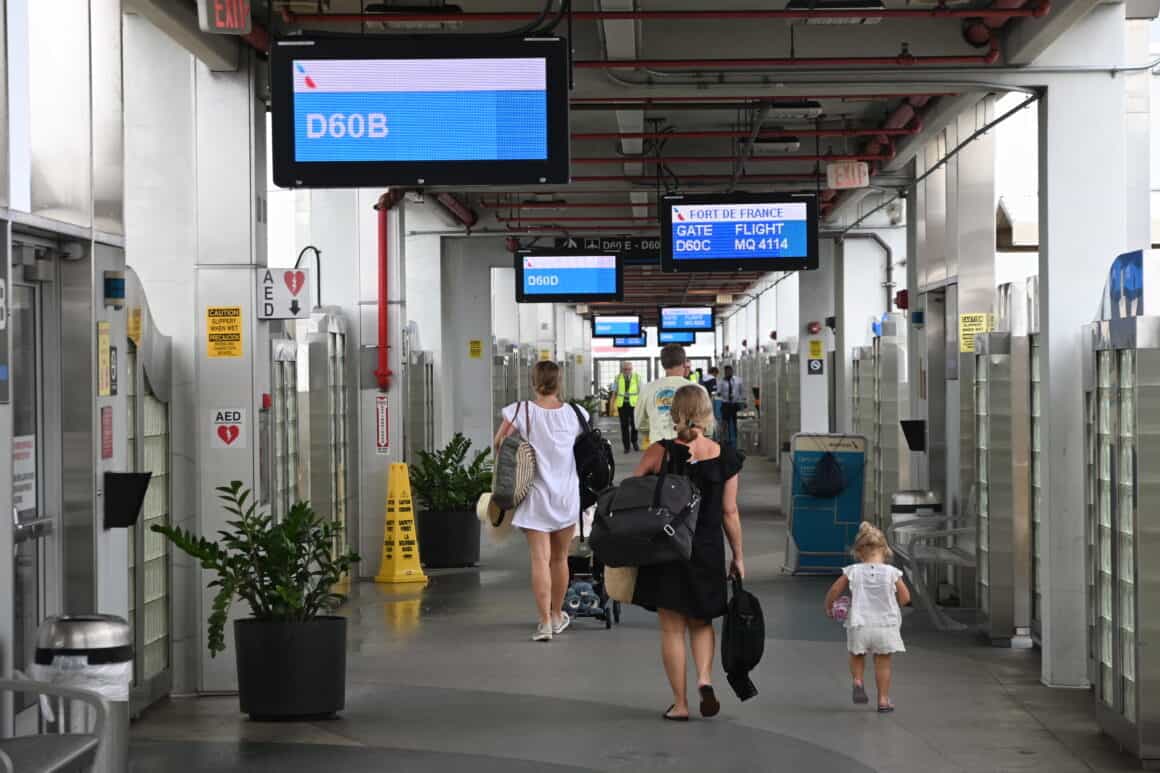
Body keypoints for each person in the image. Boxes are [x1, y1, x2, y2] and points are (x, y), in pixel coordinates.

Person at [632, 385, 744, 721]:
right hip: (706, 548)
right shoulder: (724, 456)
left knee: (671, 628)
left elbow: (633, 494)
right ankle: (705, 679)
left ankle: (680, 704)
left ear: (673, 413)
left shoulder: (659, 452)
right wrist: (738, 555)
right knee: (701, 621)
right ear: (708, 413)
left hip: (666, 549)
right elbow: (729, 512)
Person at [493, 361, 588, 642]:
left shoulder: (521, 411)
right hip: (567, 495)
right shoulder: (576, 413)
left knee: (540, 559)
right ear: (560, 383)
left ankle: (544, 622)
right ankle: (558, 615)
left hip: (535, 495)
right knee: (560, 559)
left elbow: (500, 443)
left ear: (533, 382)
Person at [823, 523, 911, 713]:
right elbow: (905, 598)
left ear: (858, 552)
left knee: (857, 654)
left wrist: (829, 605)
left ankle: (857, 680)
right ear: (885, 551)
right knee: (883, 662)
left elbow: (835, 590)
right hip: (885, 625)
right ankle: (883, 700)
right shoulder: (891, 572)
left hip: (859, 624)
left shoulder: (853, 570)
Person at [636, 344, 707, 446]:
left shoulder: (647, 389)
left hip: (659, 448)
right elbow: (707, 426)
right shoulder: (699, 390)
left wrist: (656, 429)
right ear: (684, 362)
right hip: (690, 448)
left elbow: (639, 423)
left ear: (663, 364)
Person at [612, 361, 641, 453]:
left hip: (634, 405)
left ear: (632, 369)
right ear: (622, 369)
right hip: (622, 405)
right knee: (624, 426)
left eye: (629, 369)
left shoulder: (637, 377)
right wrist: (612, 404)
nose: (627, 371)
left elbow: (641, 392)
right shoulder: (617, 378)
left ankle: (634, 441)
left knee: (635, 425)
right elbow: (614, 391)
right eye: (625, 369)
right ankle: (626, 446)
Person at [718, 365, 745, 448]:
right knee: (724, 423)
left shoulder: (738, 380)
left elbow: (742, 391)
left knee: (735, 422)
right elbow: (718, 392)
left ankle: (736, 441)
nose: (729, 373)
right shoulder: (721, 382)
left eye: (730, 371)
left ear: (732, 371)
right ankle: (723, 441)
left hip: (735, 404)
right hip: (726, 404)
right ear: (725, 372)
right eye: (727, 371)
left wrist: (742, 401)